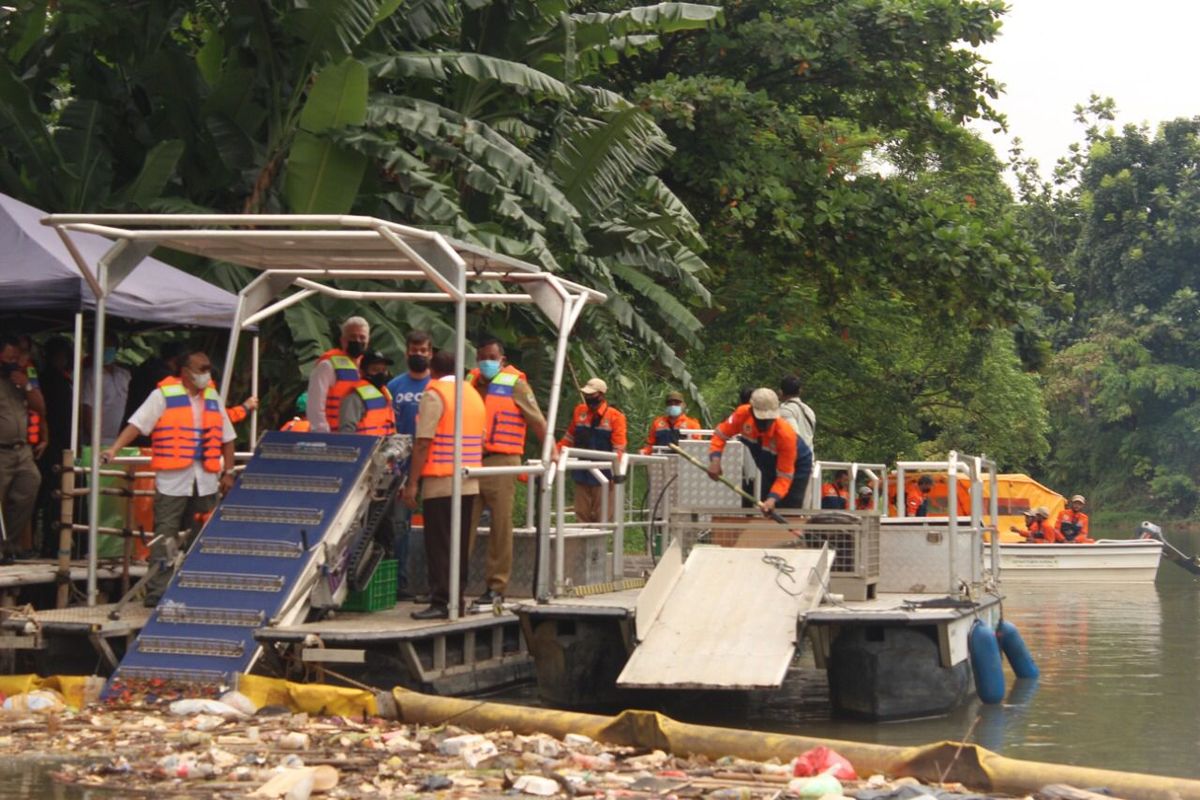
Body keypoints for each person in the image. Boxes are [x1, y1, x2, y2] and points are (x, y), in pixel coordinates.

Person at [102, 347, 236, 605]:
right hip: (173, 481)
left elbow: (227, 438)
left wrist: (228, 473)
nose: (207, 374)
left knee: (201, 537)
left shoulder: (212, 397)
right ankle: (157, 593)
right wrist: (114, 449)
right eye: (202, 369)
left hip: (206, 480)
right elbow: (137, 425)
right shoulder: (162, 395)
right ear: (185, 372)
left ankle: (198, 589)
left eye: (209, 369)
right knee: (165, 536)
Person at [466, 336, 550, 610]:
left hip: (502, 461)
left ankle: (496, 587)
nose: (487, 363)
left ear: (502, 360)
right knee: (463, 522)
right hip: (471, 461)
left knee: (501, 525)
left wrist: (553, 452)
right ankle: (454, 583)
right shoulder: (470, 383)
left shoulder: (515, 384)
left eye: (492, 358)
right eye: (482, 358)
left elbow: (536, 419)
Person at [402, 350, 484, 620]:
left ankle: (440, 601)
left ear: (433, 370)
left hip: (441, 481)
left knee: (439, 544)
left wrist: (412, 482)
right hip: (469, 480)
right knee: (458, 545)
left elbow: (424, 441)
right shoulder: (472, 393)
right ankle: (456, 599)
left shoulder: (434, 394)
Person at [385, 330, 434, 600]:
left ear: (431, 353)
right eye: (414, 350)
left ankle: (434, 584)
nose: (418, 354)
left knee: (438, 527)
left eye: (423, 350)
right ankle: (399, 583)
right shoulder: (394, 387)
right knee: (399, 526)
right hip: (402, 468)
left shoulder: (436, 387)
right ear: (406, 352)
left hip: (434, 466)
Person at [708, 388, 807, 514]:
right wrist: (715, 460)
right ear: (751, 411)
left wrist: (772, 499)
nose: (765, 424)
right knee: (767, 507)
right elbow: (720, 435)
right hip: (768, 463)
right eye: (761, 419)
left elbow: (784, 476)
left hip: (797, 463)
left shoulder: (785, 435)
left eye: (769, 420)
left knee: (788, 509)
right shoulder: (742, 415)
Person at [558, 378, 627, 523]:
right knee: (581, 513)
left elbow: (619, 448)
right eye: (586, 395)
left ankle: (599, 545)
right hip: (581, 471)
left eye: (592, 395)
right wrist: (555, 453)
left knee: (603, 516)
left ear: (601, 395)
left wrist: (616, 473)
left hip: (605, 473)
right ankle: (582, 544)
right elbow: (569, 438)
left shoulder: (616, 417)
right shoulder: (579, 411)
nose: (589, 398)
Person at [0, 337, 44, 564]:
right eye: (9, 357)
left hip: (22, 448)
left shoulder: (26, 376)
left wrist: (25, 385)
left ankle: (9, 544)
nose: (13, 361)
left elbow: (41, 408)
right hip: (1, 450)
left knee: (30, 483)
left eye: (17, 357)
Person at [307, 316, 370, 433]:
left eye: (362, 337)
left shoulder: (368, 368)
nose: (357, 341)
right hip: (332, 436)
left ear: (368, 341)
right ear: (343, 340)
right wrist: (322, 433)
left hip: (362, 438)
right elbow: (315, 405)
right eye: (352, 336)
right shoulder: (327, 366)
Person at [80, 334, 132, 446]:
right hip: (101, 440)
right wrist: (95, 438)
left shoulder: (125, 374)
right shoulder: (89, 375)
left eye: (110, 346)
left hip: (124, 437)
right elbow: (86, 407)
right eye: (103, 346)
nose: (107, 350)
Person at [338, 351, 396, 435]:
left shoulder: (386, 395)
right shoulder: (354, 398)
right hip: (363, 447)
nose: (381, 374)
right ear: (362, 372)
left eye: (384, 370)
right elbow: (346, 432)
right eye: (375, 370)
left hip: (384, 447)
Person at [779, 375, 816, 453]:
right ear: (800, 391)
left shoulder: (785, 410)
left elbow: (793, 437)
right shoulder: (808, 410)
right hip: (808, 461)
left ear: (781, 392)